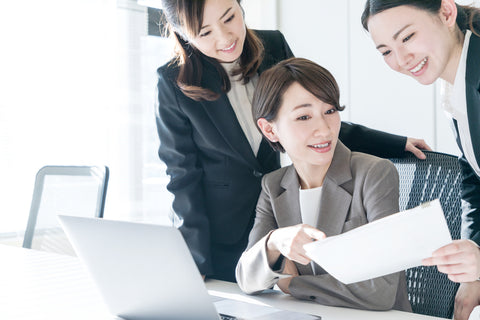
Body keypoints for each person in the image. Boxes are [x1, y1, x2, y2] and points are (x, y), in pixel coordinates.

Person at [155, 0, 430, 283]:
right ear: (185, 34)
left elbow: (310, 116)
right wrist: (193, 260)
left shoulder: (271, 45)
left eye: (229, 18)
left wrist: (393, 144)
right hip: (220, 239)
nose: (225, 38)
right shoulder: (172, 82)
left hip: (282, 220)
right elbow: (182, 176)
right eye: (205, 33)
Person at [235, 57, 411, 311]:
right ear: (269, 130)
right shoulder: (273, 186)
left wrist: (292, 284)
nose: (324, 130)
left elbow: (380, 291)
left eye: (330, 111)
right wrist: (275, 242)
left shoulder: (374, 174)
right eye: (304, 117)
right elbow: (245, 278)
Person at [361, 1, 480, 319]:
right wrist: (473, 271)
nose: (401, 60)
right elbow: (473, 175)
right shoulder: (456, 80)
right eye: (385, 51)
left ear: (446, 13)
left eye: (408, 37)